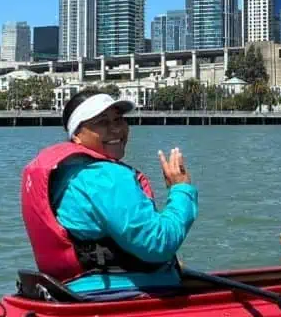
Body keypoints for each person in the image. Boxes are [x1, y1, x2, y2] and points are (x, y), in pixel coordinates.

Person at [20, 89, 197, 299]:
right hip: (118, 293)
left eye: (119, 119)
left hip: (73, 289)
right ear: (77, 134)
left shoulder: (68, 172)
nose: (116, 130)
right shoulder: (104, 176)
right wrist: (181, 190)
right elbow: (158, 243)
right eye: (102, 122)